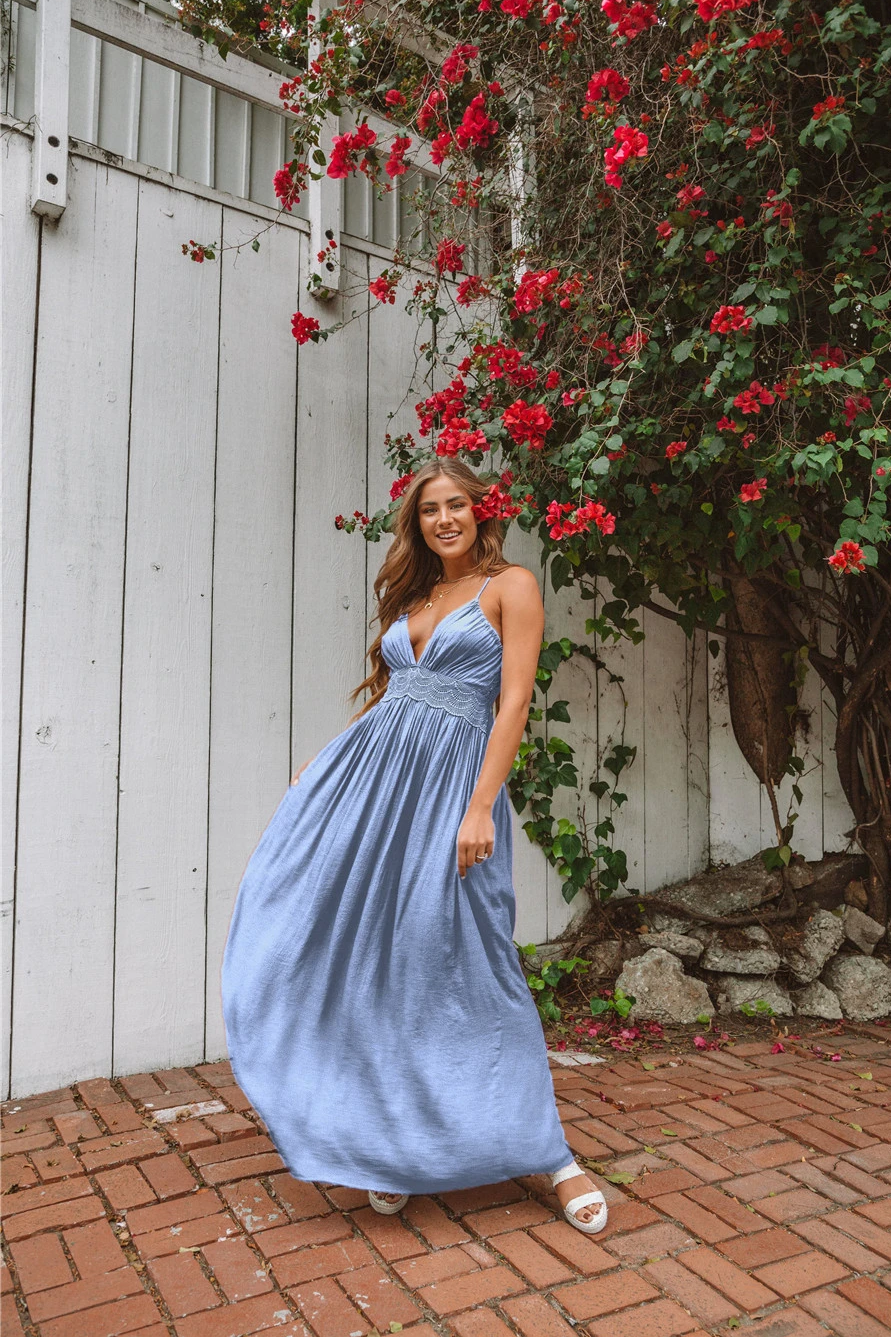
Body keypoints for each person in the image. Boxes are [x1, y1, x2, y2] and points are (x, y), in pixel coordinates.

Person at [221, 457, 608, 1233]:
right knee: (382, 962)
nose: (444, 519)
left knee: (473, 959)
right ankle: (392, 1147)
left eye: (456, 504)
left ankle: (553, 1156)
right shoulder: (419, 597)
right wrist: (328, 760)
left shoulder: (511, 586)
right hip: (377, 788)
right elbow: (397, 698)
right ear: (418, 523)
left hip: (454, 793)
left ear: (479, 510)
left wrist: (481, 806)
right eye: (430, 509)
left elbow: (513, 703)